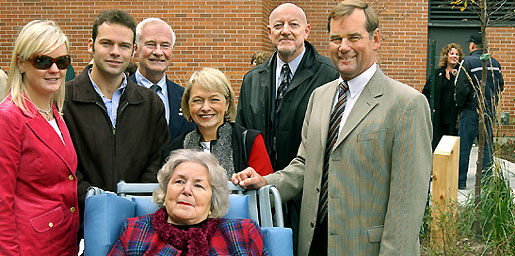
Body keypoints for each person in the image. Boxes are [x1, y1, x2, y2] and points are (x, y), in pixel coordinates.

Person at [233, 0, 432, 255]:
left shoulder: (406, 104)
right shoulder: (321, 96)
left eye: (354, 37)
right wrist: (267, 182)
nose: (344, 47)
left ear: (376, 39)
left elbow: (407, 204)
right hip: (314, 244)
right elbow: (305, 165)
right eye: (336, 38)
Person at [236, 4, 339, 250]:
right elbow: (242, 136)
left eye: (293, 25)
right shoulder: (252, 79)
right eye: (279, 26)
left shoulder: (330, 76)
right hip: (261, 199)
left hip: (310, 200)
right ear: (269, 32)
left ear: (307, 31)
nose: (286, 31)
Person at [63, 9, 170, 235]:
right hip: (78, 223)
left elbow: (157, 160)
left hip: (137, 223)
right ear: (90, 45)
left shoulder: (150, 104)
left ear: (133, 51)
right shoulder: (64, 100)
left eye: (123, 46)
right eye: (106, 43)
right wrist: (96, 202)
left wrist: (134, 202)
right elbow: (64, 165)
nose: (115, 52)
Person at [0, 20, 79, 255]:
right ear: (21, 64)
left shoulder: (54, 113)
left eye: (62, 62)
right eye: (43, 61)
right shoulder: (9, 118)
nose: (54, 69)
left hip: (62, 244)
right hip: (29, 247)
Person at [108, 149, 267, 255]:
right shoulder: (135, 230)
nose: (187, 190)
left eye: (198, 185)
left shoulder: (242, 232)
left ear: (212, 201)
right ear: (165, 191)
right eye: (179, 182)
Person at [169, 67, 273, 178]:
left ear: (227, 103)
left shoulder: (250, 142)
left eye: (214, 99)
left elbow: (264, 191)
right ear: (188, 105)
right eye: (197, 100)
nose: (205, 107)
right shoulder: (177, 147)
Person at [131, 18, 195, 143]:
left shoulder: (185, 97)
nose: (158, 52)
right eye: (150, 44)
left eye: (165, 45)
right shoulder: (118, 93)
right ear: (136, 49)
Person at [455, 32, 504, 189]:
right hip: (488, 112)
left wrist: (461, 105)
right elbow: (500, 86)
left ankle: (460, 181)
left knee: (464, 148)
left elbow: (461, 88)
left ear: (472, 45)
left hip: (470, 112)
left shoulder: (467, 62)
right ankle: (488, 182)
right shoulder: (495, 63)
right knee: (488, 149)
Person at [423, 43, 464, 150]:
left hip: (454, 118)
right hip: (439, 116)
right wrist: (430, 108)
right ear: (446, 56)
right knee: (437, 145)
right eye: (452, 54)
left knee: (451, 147)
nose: (455, 56)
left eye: (457, 54)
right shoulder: (437, 74)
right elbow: (426, 93)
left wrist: (456, 77)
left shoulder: (462, 74)